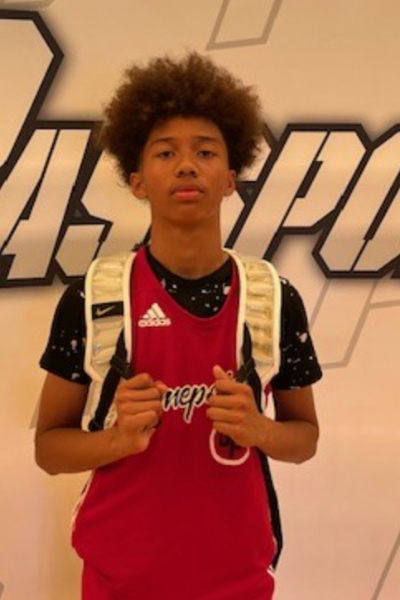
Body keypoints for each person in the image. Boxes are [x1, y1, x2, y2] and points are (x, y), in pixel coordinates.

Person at [36, 52, 322, 600]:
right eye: (166, 152)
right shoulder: (94, 297)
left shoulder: (272, 297)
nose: (187, 165)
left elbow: (304, 437)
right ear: (138, 181)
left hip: (238, 579)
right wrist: (117, 439)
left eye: (206, 152)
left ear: (231, 179)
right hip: (121, 582)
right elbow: (49, 449)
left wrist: (259, 430)